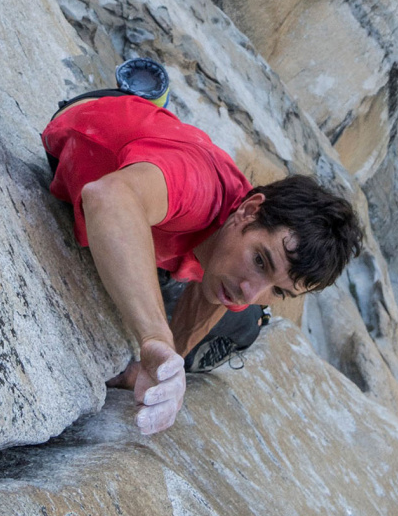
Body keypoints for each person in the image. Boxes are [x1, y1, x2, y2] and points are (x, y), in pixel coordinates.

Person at [42, 92, 362, 435]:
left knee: (247, 322)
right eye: (260, 261)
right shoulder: (198, 189)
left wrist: (166, 362)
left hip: (162, 166)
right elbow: (108, 198)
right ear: (249, 210)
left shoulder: (239, 251)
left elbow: (217, 296)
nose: (249, 291)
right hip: (86, 133)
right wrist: (154, 336)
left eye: (279, 291)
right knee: (234, 318)